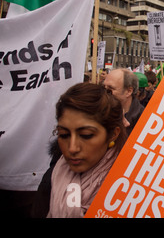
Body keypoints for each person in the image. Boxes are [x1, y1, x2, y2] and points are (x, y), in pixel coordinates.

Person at [41, 83, 127, 217]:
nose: (72, 148)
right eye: (64, 134)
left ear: (113, 134)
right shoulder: (51, 179)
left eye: (86, 135)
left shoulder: (132, 186)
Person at [104, 68, 145, 135]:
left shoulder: (144, 119)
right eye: (103, 87)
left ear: (128, 91)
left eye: (110, 89)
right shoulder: (99, 111)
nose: (105, 93)